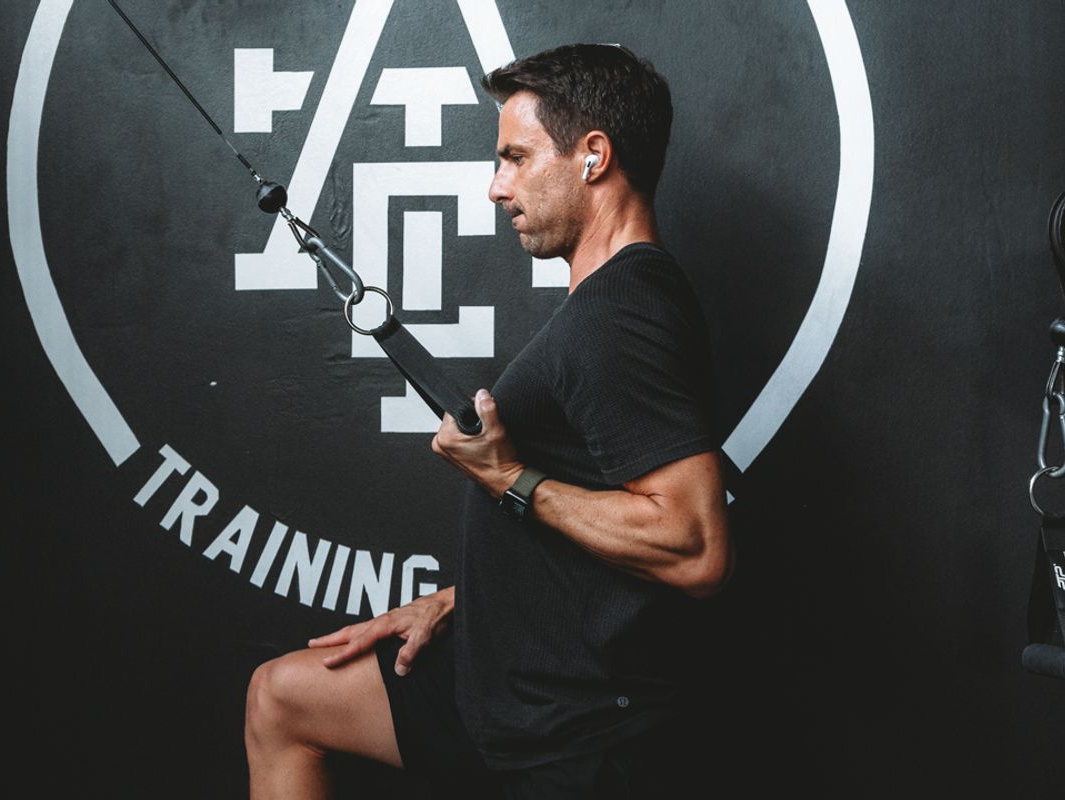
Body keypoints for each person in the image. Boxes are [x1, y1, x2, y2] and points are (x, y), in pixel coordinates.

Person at [244, 43, 732, 799]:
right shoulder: (604, 305)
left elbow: (693, 546)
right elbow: (597, 490)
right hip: (508, 678)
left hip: (575, 730)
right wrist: (463, 601)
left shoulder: (623, 315)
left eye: (515, 157)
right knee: (282, 697)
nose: (497, 187)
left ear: (593, 156)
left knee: (282, 696)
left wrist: (509, 477)